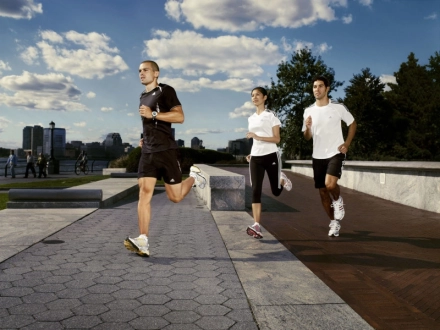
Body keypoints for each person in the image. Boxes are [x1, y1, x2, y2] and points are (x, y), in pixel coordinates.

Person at [124, 60, 206, 257]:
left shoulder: (166, 91)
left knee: (175, 197)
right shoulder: (142, 96)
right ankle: (143, 240)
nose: (141, 73)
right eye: (139, 70)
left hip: (167, 151)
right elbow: (150, 124)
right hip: (148, 153)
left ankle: (194, 177)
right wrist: (144, 138)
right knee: (144, 192)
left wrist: (154, 113)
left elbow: (179, 117)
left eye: (145, 70)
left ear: (156, 73)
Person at [302, 76, 357, 237]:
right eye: (314, 87)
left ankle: (338, 201)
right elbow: (307, 137)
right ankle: (334, 222)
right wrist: (307, 128)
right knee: (323, 192)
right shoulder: (308, 111)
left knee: (330, 185)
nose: (316, 89)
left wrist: (347, 143)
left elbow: (352, 124)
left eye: (320, 86)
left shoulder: (338, 108)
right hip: (317, 156)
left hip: (336, 152)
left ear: (327, 88)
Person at [245, 87, 292, 239]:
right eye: (252, 95)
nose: (254, 97)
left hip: (271, 155)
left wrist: (257, 136)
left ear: (265, 97)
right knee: (255, 190)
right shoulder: (251, 118)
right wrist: (251, 154)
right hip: (256, 157)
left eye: (257, 94)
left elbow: (277, 139)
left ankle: (282, 179)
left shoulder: (271, 115)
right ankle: (257, 225)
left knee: (276, 191)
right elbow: (254, 140)